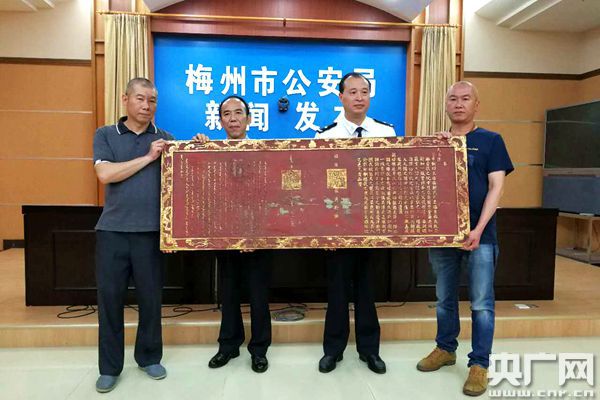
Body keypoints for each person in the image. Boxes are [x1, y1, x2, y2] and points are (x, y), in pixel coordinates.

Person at [93, 78, 209, 393]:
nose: (147, 106)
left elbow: (188, 179)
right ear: (125, 99)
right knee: (110, 302)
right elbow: (105, 174)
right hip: (112, 232)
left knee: (150, 300)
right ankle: (109, 368)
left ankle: (149, 357)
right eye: (141, 99)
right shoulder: (106, 134)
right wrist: (147, 157)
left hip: (151, 234)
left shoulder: (166, 138)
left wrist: (199, 147)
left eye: (152, 100)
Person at [416, 81, 513, 397]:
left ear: (476, 104)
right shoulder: (438, 142)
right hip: (443, 237)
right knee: (444, 298)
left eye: (465, 98)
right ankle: (445, 348)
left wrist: (478, 229)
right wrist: (436, 150)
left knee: (482, 303)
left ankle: (479, 364)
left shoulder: (491, 141)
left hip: (481, 236)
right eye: (453, 99)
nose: (459, 104)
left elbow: (496, 187)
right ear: (446, 105)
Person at [315, 72, 395, 374]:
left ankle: (369, 350)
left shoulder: (386, 132)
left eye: (364, 91)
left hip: (372, 223)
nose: (359, 97)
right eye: (352, 92)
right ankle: (333, 350)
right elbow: (318, 186)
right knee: (336, 290)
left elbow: (390, 179)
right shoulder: (325, 135)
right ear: (341, 97)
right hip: (337, 225)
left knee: (367, 289)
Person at [194, 95, 272, 373]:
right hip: (224, 236)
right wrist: (200, 149)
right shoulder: (212, 153)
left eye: (238, 113)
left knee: (258, 295)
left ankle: (259, 349)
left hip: (258, 237)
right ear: (220, 121)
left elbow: (272, 196)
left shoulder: (264, 152)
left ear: (249, 118)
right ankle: (228, 345)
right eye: (227, 114)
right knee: (228, 293)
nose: (233, 118)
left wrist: (255, 233)